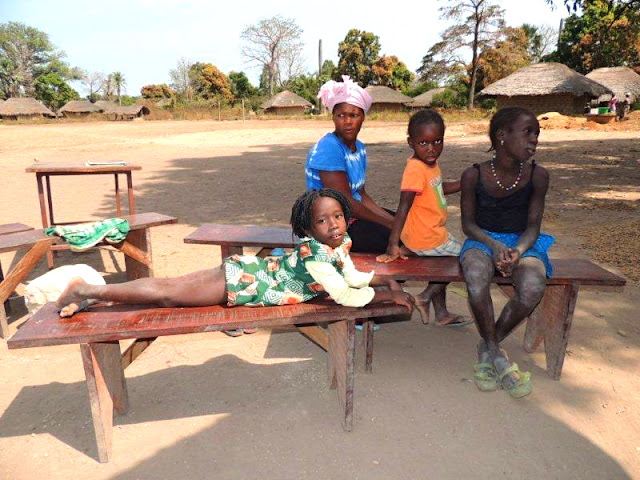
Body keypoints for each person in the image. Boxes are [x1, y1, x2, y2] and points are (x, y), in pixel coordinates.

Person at [56, 189, 415, 318]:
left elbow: (351, 276)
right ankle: (85, 290)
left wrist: (387, 283)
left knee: (170, 287)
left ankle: (96, 297)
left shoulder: (338, 244)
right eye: (323, 220)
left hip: (249, 271)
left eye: (337, 216)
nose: (334, 225)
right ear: (308, 229)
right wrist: (387, 296)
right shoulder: (318, 256)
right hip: (243, 283)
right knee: (167, 293)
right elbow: (344, 295)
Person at [459, 107, 554, 399]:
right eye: (527, 132)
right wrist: (493, 244)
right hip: (482, 240)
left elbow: (533, 227)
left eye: (537, 134)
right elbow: (468, 225)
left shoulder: (538, 176)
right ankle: (496, 354)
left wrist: (518, 250)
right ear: (502, 135)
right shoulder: (473, 175)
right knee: (476, 276)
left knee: (533, 286)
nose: (534, 139)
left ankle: (489, 345)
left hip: (522, 242)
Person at [376, 110, 471, 328]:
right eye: (423, 143)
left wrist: (464, 183)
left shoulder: (430, 163)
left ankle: (442, 314)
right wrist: (393, 244)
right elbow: (403, 207)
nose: (431, 148)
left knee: (442, 264)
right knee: (469, 257)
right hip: (428, 237)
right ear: (411, 143)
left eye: (437, 141)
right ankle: (425, 296)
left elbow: (437, 189)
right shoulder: (415, 169)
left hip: (430, 233)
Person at [306, 75, 394, 254]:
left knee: (407, 224)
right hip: (331, 223)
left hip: (352, 216)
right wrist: (391, 225)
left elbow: (361, 194)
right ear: (333, 117)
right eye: (341, 115)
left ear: (363, 117)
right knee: (396, 237)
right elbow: (346, 202)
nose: (347, 121)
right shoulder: (328, 149)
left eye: (354, 115)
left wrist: (394, 221)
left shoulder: (359, 148)